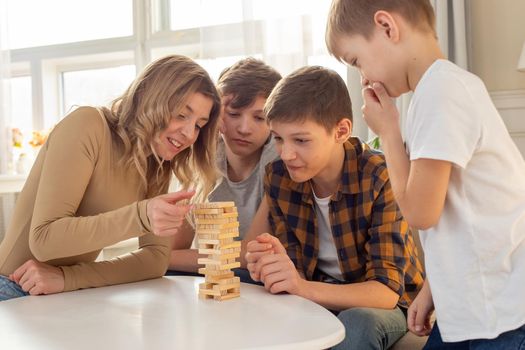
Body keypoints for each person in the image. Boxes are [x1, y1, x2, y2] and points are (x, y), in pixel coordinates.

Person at [326, 0, 525, 348]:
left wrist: (388, 132)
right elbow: (464, 214)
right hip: (476, 305)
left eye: (357, 61)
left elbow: (420, 213)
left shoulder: (442, 92)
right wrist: (435, 289)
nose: (364, 77)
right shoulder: (435, 92)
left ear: (387, 27)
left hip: (500, 311)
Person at [0, 55, 221, 301]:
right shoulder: (88, 125)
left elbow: (155, 261)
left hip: (61, 293)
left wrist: (68, 278)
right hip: (10, 288)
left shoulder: (156, 165)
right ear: (151, 99)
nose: (190, 134)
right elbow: (44, 239)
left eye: (199, 125)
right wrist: (142, 215)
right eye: (181, 114)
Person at [245, 65, 424, 350]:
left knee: (358, 323)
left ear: (341, 131)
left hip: (382, 303)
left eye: (301, 140)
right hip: (316, 293)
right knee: (243, 285)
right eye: (278, 138)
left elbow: (386, 292)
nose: (286, 154)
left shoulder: (380, 175)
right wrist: (275, 266)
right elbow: (296, 272)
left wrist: (300, 286)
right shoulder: (278, 176)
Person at [168, 58, 281, 276]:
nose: (244, 128)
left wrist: (157, 260)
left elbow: (249, 255)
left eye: (259, 118)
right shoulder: (204, 155)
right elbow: (175, 246)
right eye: (233, 114)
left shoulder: (278, 160)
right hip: (212, 275)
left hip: (259, 275)